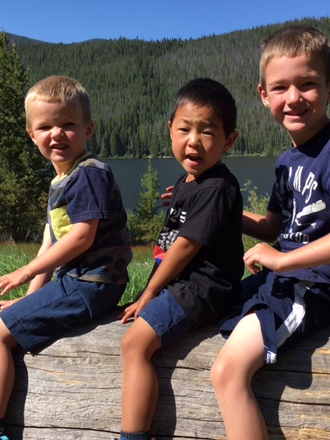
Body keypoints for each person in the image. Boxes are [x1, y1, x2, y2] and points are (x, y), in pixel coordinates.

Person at [210, 26, 330, 440]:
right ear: (264, 95)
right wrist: (214, 205)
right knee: (205, 306)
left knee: (227, 372)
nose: (293, 97)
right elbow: (273, 227)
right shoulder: (288, 160)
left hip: (314, 287)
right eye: (280, 87)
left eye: (307, 84)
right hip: (283, 279)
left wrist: (284, 259)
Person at [0, 75, 132, 440]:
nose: (56, 134)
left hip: (91, 283)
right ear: (32, 135)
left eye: (68, 125)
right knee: (0, 327)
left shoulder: (88, 174)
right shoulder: (63, 179)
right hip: (80, 283)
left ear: (88, 130)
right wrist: (30, 297)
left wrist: (24, 271)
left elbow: (81, 237)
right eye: (45, 127)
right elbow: (50, 242)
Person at [118, 78, 244, 440]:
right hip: (183, 285)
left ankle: (133, 436)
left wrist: (149, 293)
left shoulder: (216, 187)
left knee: (134, 345)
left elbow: (186, 247)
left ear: (229, 140)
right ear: (170, 130)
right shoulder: (191, 181)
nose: (194, 141)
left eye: (208, 132)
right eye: (185, 129)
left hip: (203, 290)